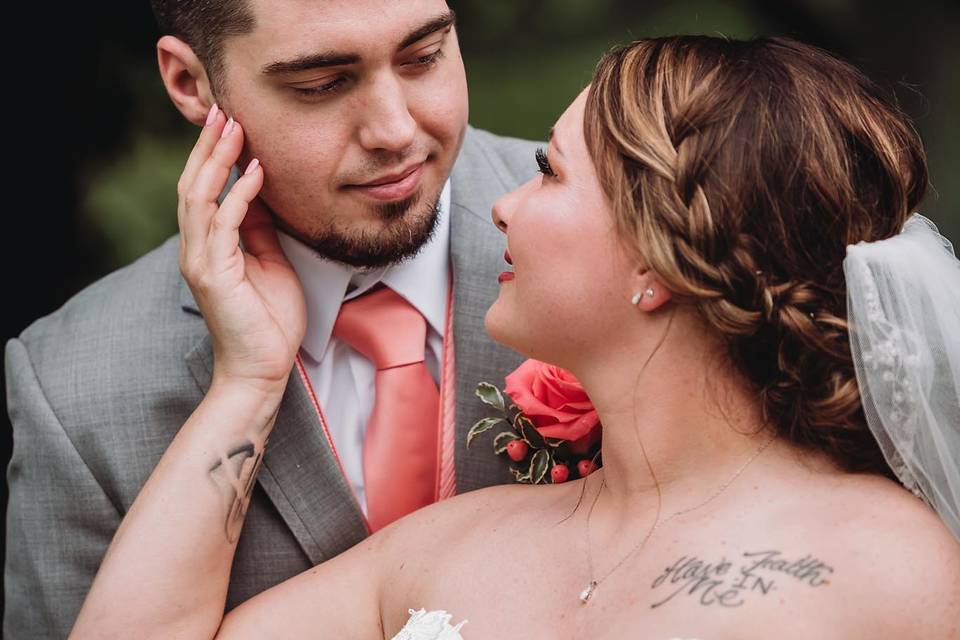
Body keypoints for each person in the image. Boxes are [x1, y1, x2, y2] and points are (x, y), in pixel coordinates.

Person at [72, 35, 960, 639]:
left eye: (549, 172)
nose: (501, 201)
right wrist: (248, 377)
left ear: (657, 261)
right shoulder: (450, 543)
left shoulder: (892, 568)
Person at [3, 2, 541, 637]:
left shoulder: (628, 242)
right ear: (190, 83)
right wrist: (247, 386)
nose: (395, 131)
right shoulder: (68, 390)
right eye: (322, 84)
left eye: (424, 56)